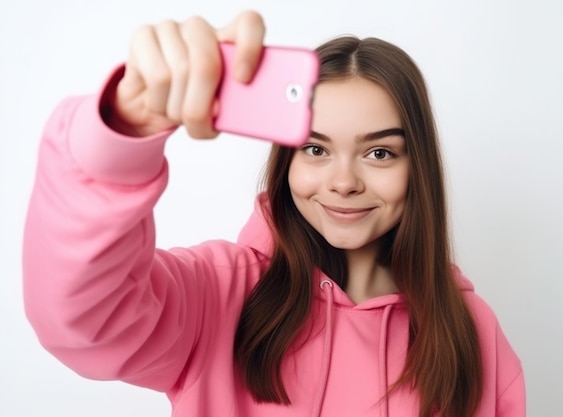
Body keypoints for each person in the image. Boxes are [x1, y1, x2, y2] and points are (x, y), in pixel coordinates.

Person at [22, 10, 525, 417]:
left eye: (379, 153)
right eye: (315, 149)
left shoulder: (473, 331)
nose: (344, 181)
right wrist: (119, 135)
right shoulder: (218, 296)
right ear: (286, 161)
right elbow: (82, 319)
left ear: (419, 168)